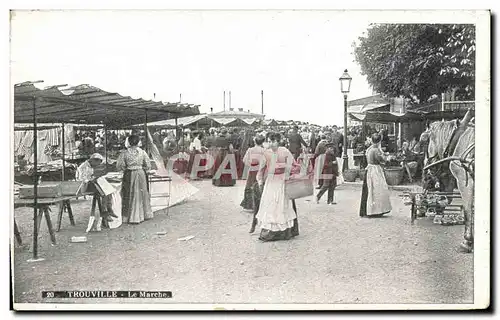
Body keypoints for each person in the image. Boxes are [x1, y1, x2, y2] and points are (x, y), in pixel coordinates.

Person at [255, 132, 299, 241]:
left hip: (282, 180)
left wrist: (285, 169)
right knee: (271, 204)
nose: (270, 143)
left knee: (282, 204)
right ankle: (271, 231)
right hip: (271, 181)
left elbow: (294, 166)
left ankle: (283, 231)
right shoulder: (266, 153)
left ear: (278, 141)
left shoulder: (285, 151)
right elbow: (261, 168)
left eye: (272, 141)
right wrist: (260, 180)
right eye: (269, 141)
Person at [76, 153, 121, 229]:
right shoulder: (83, 167)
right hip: (84, 186)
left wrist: (94, 178)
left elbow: (90, 176)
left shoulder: (90, 166)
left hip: (89, 184)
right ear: (93, 160)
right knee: (104, 189)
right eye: (97, 163)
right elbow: (82, 179)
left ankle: (108, 210)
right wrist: (92, 179)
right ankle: (105, 211)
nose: (97, 166)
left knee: (108, 188)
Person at [116, 135, 153, 224]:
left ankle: (129, 216)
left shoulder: (124, 153)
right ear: (138, 142)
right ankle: (143, 215)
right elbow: (148, 164)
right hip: (140, 173)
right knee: (141, 193)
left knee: (130, 194)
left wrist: (126, 169)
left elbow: (120, 166)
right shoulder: (143, 152)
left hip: (129, 174)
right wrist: (143, 168)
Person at [359, 134, 392, 217]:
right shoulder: (376, 150)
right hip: (375, 170)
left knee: (370, 190)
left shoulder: (369, 149)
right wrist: (387, 158)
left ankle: (369, 210)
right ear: (379, 141)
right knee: (378, 189)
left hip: (369, 169)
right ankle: (376, 210)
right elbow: (381, 159)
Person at [240, 134, 266, 211]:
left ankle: (249, 205)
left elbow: (245, 160)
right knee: (260, 186)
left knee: (250, 186)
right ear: (263, 142)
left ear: (255, 141)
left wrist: (250, 164)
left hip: (252, 169)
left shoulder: (250, 150)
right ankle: (260, 204)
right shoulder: (264, 150)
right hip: (261, 170)